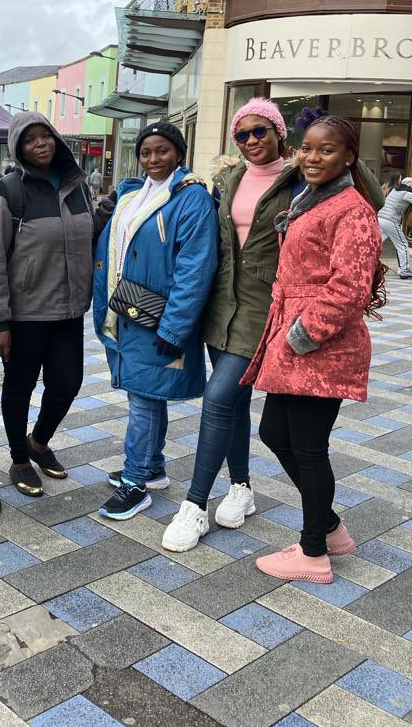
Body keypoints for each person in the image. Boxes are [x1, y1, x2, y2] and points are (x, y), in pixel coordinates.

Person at [245, 116, 383, 584]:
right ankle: (329, 526)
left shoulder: (354, 211)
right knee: (274, 433)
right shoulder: (312, 200)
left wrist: (302, 334)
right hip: (293, 339)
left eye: (326, 150)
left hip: (320, 347)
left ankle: (313, 552)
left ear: (348, 157)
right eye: (306, 148)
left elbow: (350, 288)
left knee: (308, 447)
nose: (312, 157)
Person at [162, 99, 299, 550]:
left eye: (262, 131)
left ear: (279, 132)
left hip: (264, 308)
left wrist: (322, 158)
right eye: (243, 134)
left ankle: (194, 506)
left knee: (219, 399)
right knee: (236, 404)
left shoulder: (301, 181)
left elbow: (371, 199)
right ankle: (241, 487)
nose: (252, 141)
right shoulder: (227, 180)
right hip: (220, 307)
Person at [94, 122, 218, 520]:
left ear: (178, 153)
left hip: (157, 316)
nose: (152, 159)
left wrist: (174, 329)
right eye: (146, 152)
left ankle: (136, 481)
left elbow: (194, 268)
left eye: (162, 151)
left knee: (143, 398)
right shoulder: (134, 193)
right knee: (145, 393)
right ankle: (154, 466)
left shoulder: (191, 198)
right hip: (129, 312)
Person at [0, 112, 96, 496]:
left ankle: (39, 441)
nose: (41, 144)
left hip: (69, 310)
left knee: (67, 384)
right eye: (30, 139)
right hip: (24, 314)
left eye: (46, 136)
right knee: (20, 387)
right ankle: (18, 458)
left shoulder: (78, 187)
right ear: (18, 148)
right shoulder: (6, 192)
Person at [377, 175, 412, 279]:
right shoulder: (406, 193)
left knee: (376, 244)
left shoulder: (394, 191)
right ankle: (404, 270)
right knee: (403, 244)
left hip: (380, 218)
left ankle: (366, 264)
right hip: (390, 221)